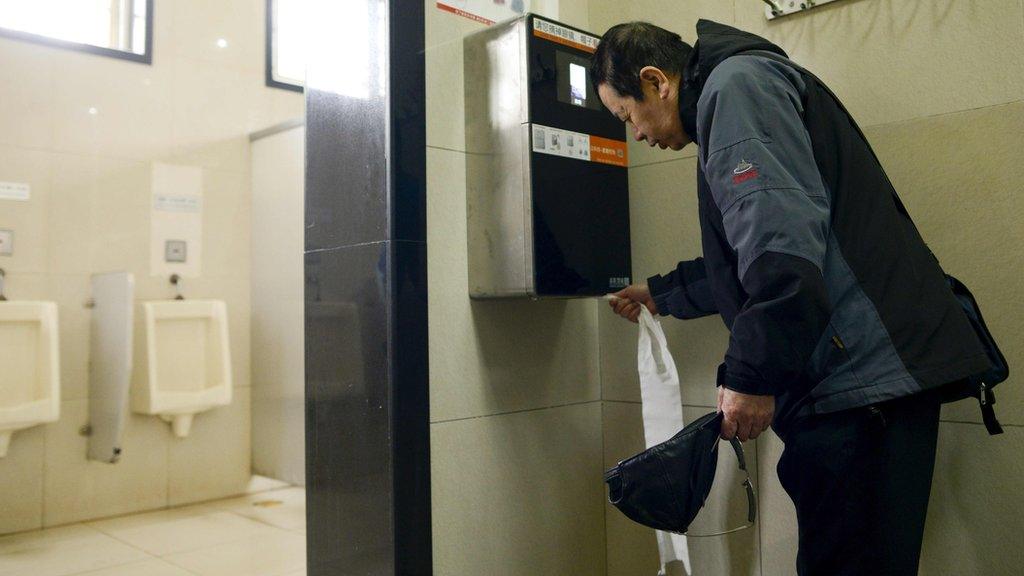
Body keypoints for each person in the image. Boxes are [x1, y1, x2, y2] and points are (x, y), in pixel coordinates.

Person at [593, 20, 990, 576]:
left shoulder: (735, 89)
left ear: (657, 81)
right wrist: (663, 293)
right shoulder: (740, 86)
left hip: (857, 391)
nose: (635, 134)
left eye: (625, 115)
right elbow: (759, 251)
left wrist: (752, 376)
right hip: (863, 385)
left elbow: (781, 255)